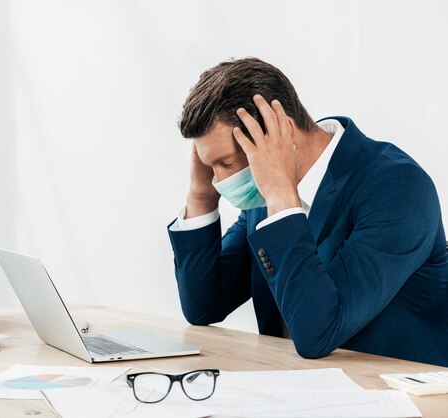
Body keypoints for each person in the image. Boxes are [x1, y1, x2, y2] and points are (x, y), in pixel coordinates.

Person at [167, 57, 448, 367]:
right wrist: (201, 196)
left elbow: (319, 332)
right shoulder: (263, 199)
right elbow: (204, 306)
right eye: (211, 167)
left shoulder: (397, 188)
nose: (221, 181)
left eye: (226, 164)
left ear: (282, 132)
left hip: (401, 400)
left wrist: (280, 196)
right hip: (299, 388)